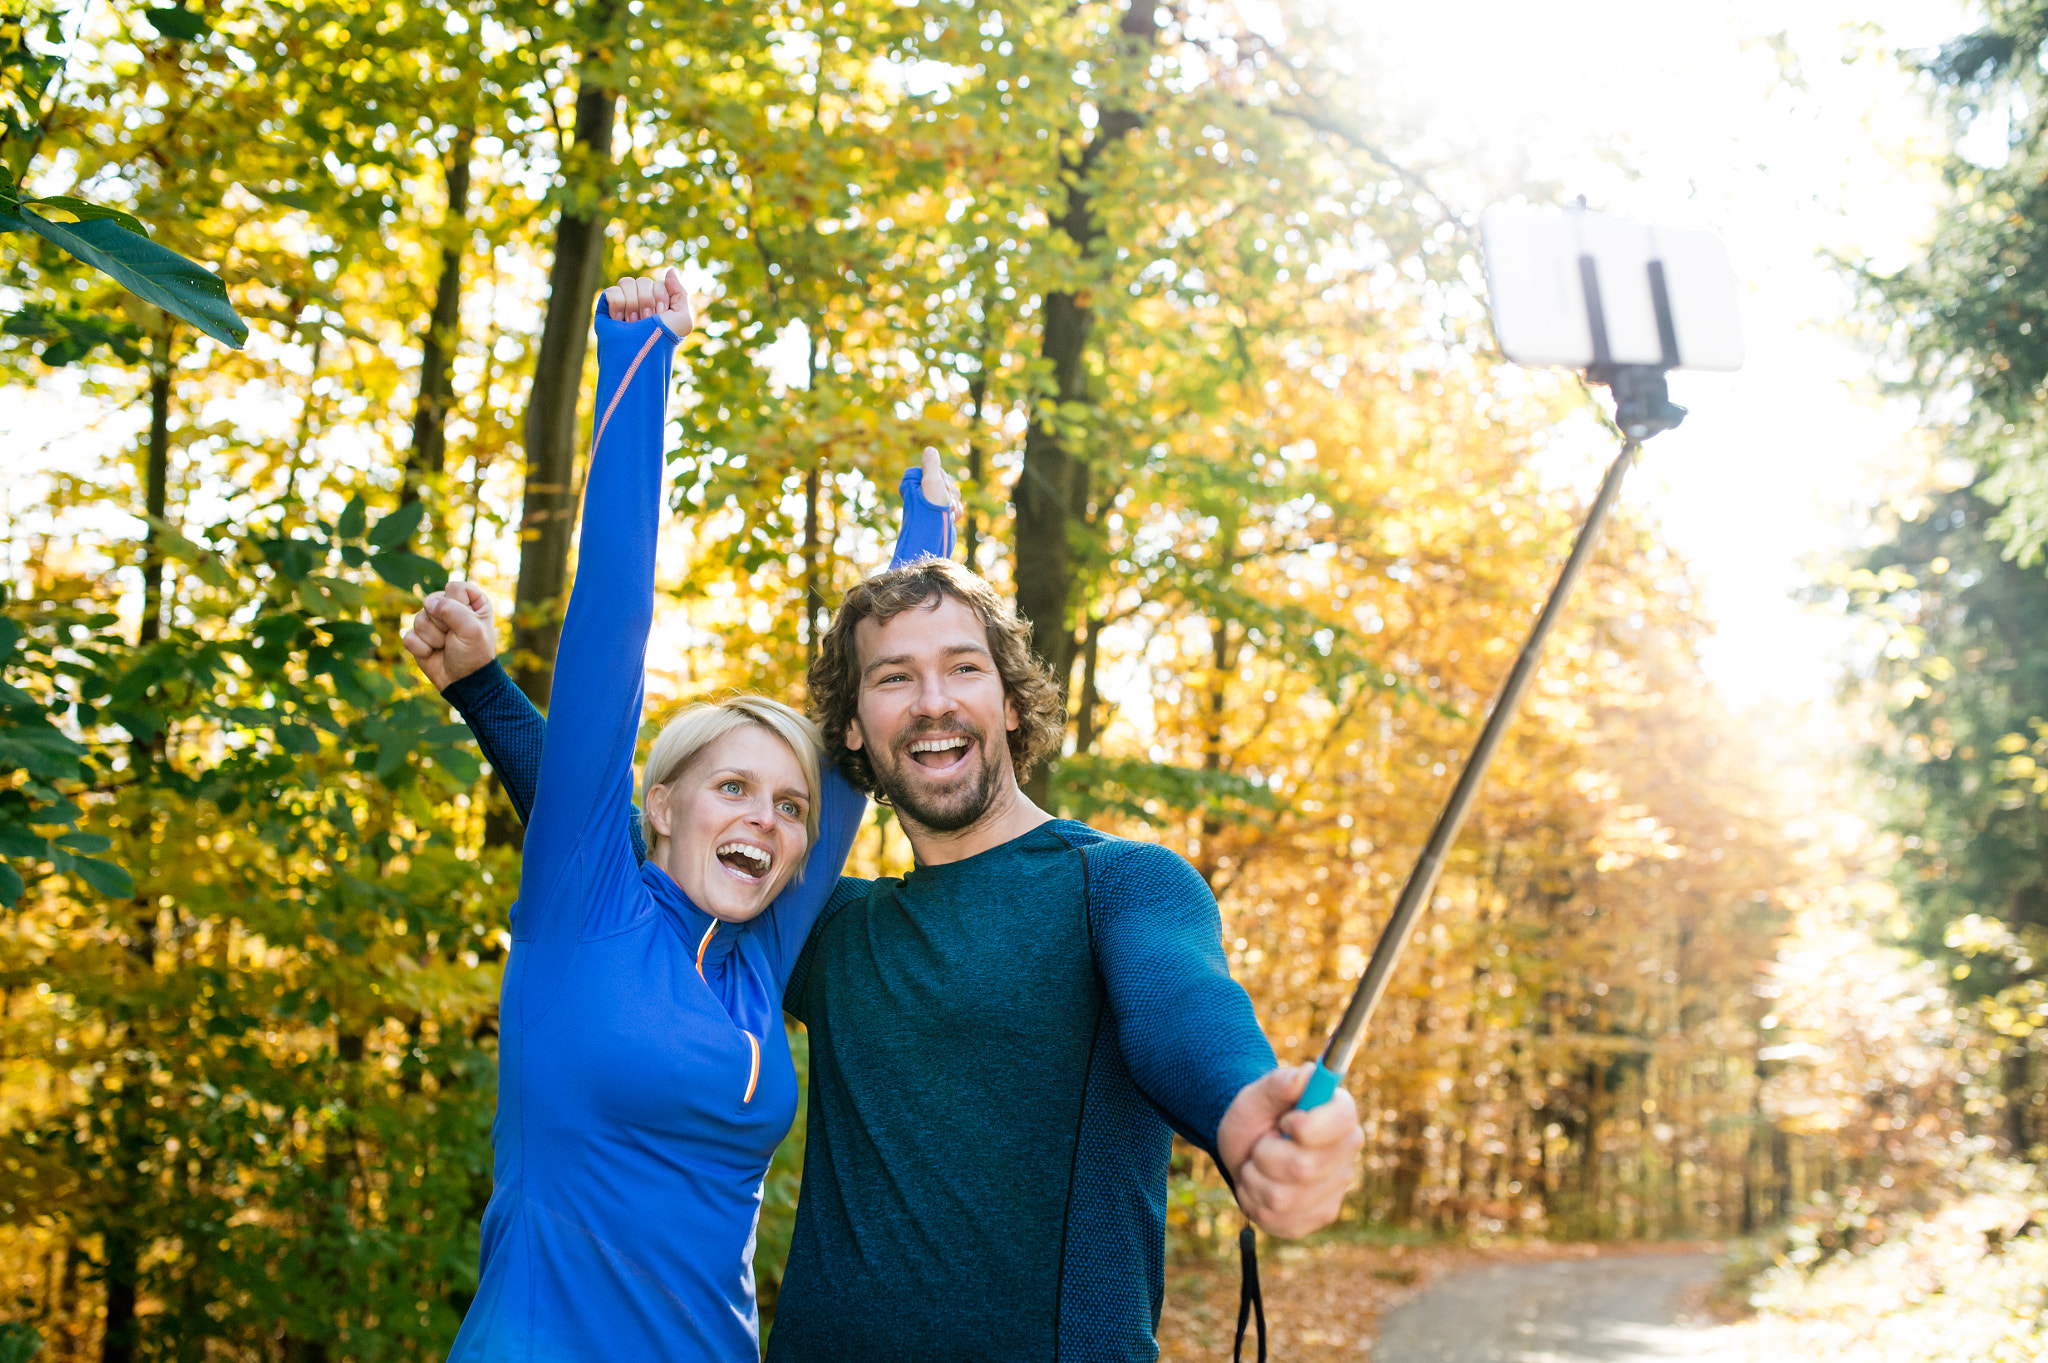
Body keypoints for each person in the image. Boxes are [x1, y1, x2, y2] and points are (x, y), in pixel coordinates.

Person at [420, 358, 1364, 1363]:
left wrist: (1238, 1108)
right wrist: (485, 691)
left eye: (963, 668)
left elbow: (1183, 1012)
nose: (931, 700)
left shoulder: (1116, 885)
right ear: (857, 737)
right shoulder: (831, 934)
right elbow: (614, 853)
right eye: (893, 678)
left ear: (1009, 699)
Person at [402, 269, 954, 1363]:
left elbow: (856, 759)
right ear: (658, 805)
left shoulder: (757, 955)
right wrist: (640, 363)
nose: (768, 819)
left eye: (786, 806)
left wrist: (925, 540)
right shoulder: (586, 902)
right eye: (733, 788)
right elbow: (612, 626)